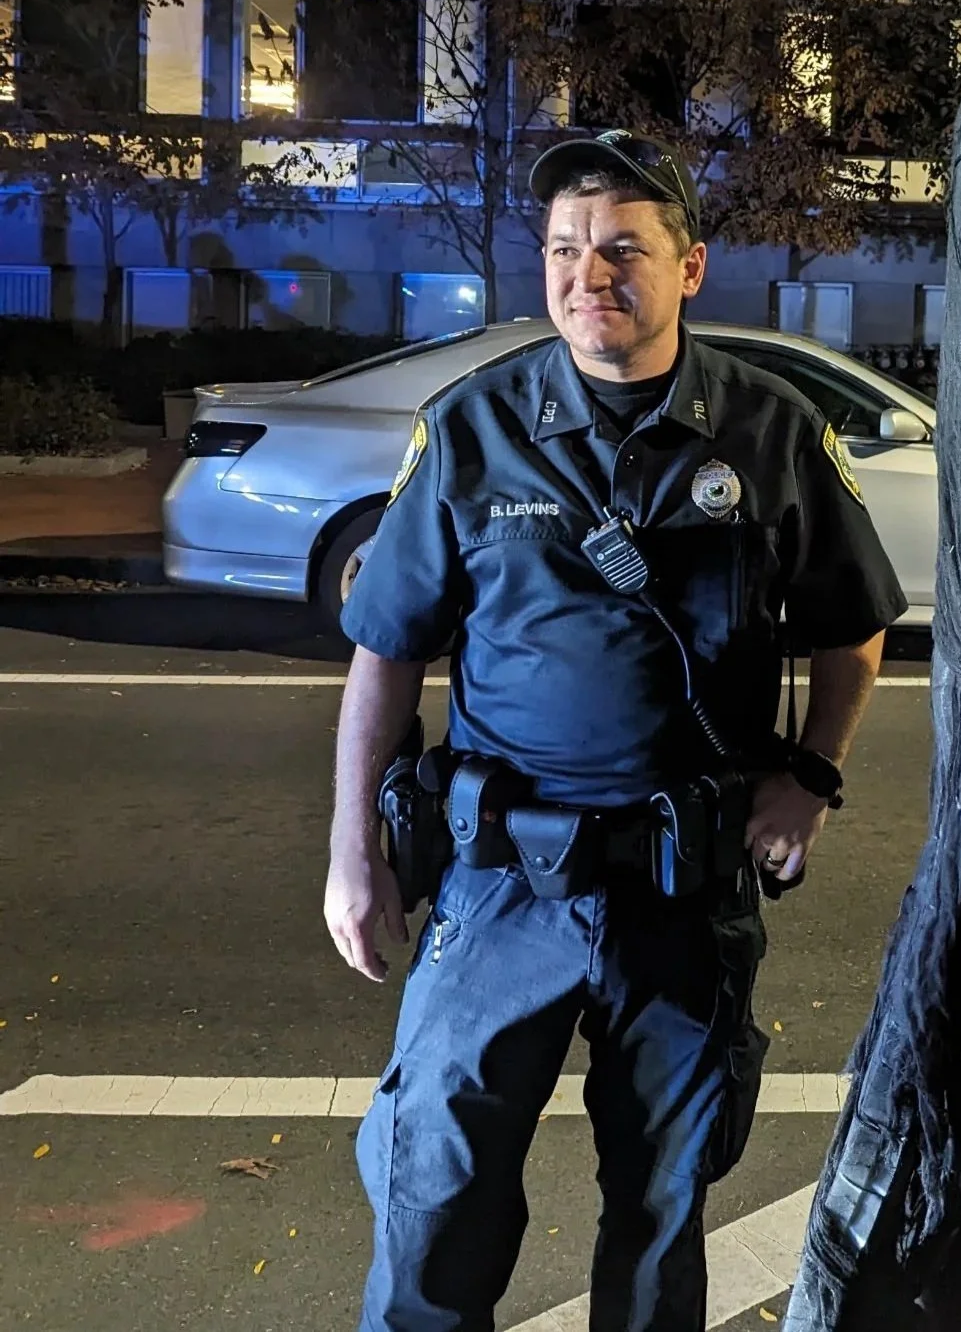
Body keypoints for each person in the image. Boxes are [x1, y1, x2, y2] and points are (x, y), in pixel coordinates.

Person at [322, 128, 907, 1332]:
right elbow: (386, 650)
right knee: (435, 1190)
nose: (590, 273)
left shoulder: (771, 429)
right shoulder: (475, 429)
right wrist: (353, 856)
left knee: (660, 1209)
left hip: (683, 892)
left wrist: (810, 776)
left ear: (688, 269)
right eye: (565, 249)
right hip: (497, 888)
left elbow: (854, 628)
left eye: (623, 248)